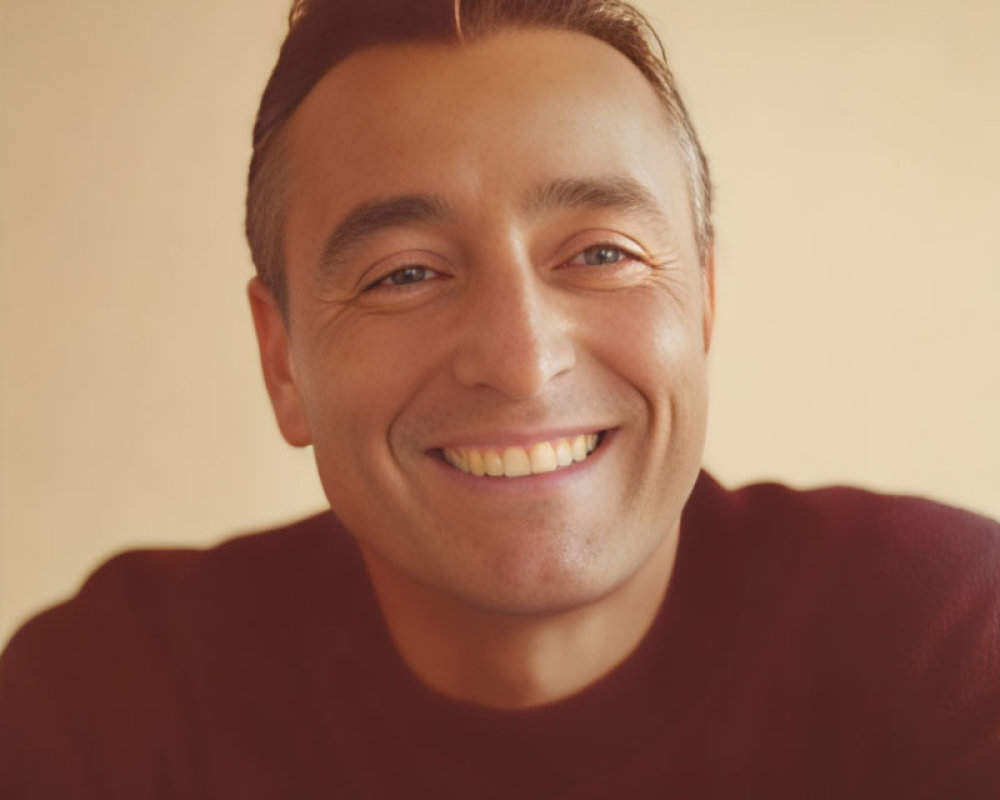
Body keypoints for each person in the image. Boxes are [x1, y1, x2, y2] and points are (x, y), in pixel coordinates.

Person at [1, 0, 997, 796]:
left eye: (601, 253)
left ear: (702, 297)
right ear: (284, 361)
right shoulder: (111, 706)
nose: (522, 360)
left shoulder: (945, 640)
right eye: (403, 273)